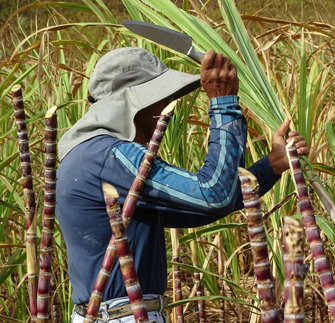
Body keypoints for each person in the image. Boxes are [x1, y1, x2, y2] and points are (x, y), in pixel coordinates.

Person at [56, 47, 308, 323]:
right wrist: (223, 104)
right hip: (123, 317)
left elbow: (202, 207)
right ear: (131, 104)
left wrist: (272, 165)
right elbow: (213, 195)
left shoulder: (87, 156)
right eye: (159, 99)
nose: (166, 110)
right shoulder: (112, 157)